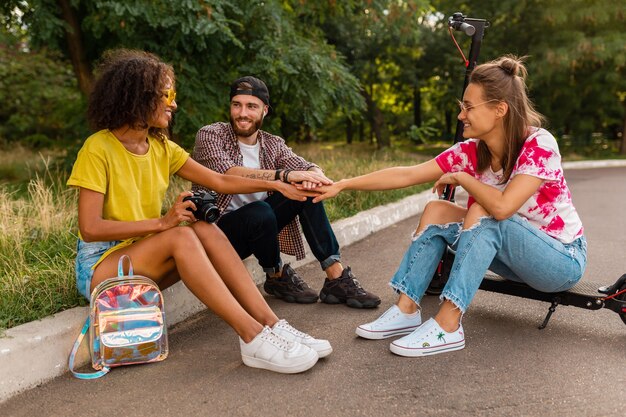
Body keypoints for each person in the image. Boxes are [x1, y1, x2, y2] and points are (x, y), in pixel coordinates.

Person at [67, 49, 333, 374]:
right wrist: (163, 223)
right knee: (180, 236)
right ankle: (252, 338)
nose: (174, 103)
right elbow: (90, 227)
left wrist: (281, 180)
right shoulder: (98, 148)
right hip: (102, 268)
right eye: (168, 94)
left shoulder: (162, 148)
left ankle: (272, 324)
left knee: (204, 228)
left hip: (143, 258)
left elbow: (221, 180)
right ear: (139, 95)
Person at [309, 55, 587, 357]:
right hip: (513, 255)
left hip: (560, 260)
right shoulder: (471, 151)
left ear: (499, 110)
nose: (461, 115)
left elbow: (504, 208)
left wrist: (463, 179)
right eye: (461, 106)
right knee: (436, 211)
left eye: (468, 107)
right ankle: (406, 309)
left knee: (484, 210)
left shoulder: (538, 145)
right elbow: (408, 173)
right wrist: (343, 183)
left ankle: (449, 324)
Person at [192, 76, 380, 308]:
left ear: (265, 111)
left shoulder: (272, 143)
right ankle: (276, 276)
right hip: (220, 233)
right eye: (236, 105)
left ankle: (335, 277)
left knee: (306, 190)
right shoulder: (211, 135)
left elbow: (303, 165)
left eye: (251, 106)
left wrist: (315, 176)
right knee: (259, 210)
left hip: (262, 226)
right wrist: (283, 176)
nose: (242, 113)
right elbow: (227, 174)